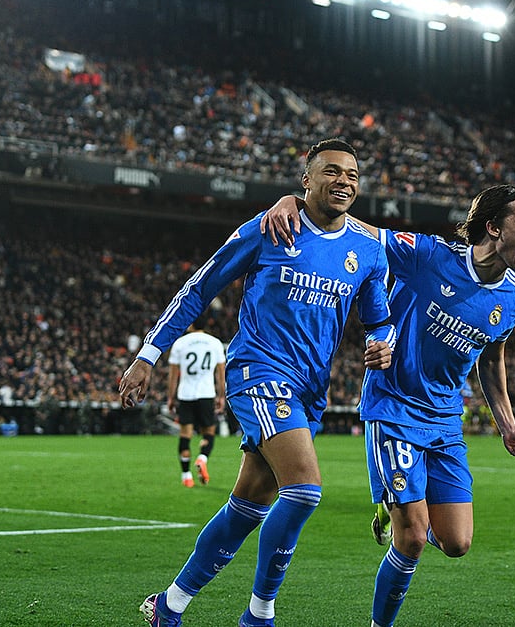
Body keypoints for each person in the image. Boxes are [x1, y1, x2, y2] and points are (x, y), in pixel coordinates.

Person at [118, 138, 397, 627]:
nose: (344, 182)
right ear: (305, 180)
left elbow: (379, 320)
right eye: (332, 171)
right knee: (304, 490)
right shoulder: (270, 228)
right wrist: (148, 355)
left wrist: (382, 343)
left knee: (248, 505)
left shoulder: (368, 250)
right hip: (259, 372)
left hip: (310, 390)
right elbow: (199, 287)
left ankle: (169, 605)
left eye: (352, 175)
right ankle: (259, 615)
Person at [262, 183, 515, 627]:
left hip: (445, 420)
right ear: (494, 227)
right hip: (393, 408)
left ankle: (391, 507)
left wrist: (508, 426)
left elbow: (492, 360)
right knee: (412, 537)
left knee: (456, 543)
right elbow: (361, 231)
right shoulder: (429, 255)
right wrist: (298, 204)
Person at [167, 314, 227, 488]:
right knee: (209, 432)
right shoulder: (215, 343)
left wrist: (171, 397)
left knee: (185, 435)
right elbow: (221, 374)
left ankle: (186, 476)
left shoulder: (180, 343)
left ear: (191, 324)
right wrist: (221, 396)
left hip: (185, 394)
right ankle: (202, 458)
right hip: (206, 394)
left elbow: (173, 375)